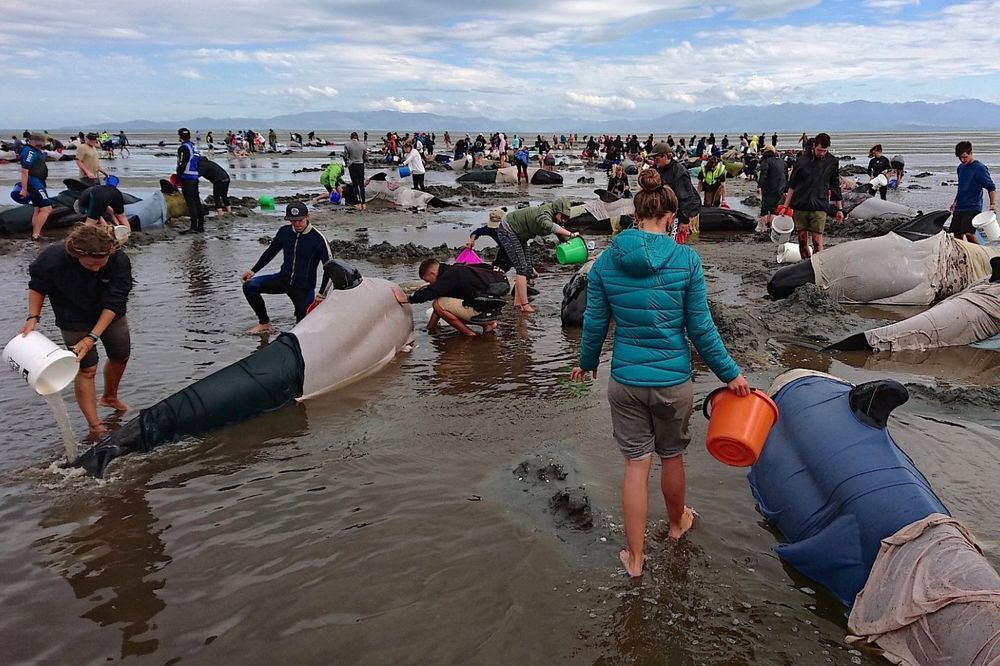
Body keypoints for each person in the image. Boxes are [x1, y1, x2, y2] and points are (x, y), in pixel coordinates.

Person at [570, 168, 750, 579]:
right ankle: (675, 525)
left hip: (626, 381)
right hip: (672, 382)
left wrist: (586, 362)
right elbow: (701, 329)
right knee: (672, 456)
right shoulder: (686, 259)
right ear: (670, 216)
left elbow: (595, 322)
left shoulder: (605, 263)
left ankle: (634, 559)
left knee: (636, 465)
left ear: (635, 215)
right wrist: (730, 374)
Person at [21, 226, 133, 436]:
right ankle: (95, 426)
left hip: (110, 313)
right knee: (87, 369)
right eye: (91, 265)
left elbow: (115, 301)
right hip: (72, 316)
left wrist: (92, 337)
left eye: (102, 264)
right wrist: (32, 317)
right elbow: (38, 285)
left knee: (121, 356)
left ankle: (109, 397)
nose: (97, 269)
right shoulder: (53, 258)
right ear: (76, 254)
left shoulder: (119, 260)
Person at [241, 202, 332, 333]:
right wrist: (252, 270)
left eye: (300, 220)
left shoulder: (318, 239)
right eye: (293, 221)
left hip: (303, 289)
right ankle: (264, 323)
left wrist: (322, 294)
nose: (297, 224)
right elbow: (270, 252)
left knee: (301, 330)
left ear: (307, 216)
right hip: (282, 280)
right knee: (249, 286)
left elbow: (329, 267)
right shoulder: (284, 232)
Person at [497, 199, 576, 313]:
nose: (563, 220)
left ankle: (518, 303)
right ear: (557, 211)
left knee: (528, 269)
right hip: (508, 229)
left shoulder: (556, 219)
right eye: (562, 216)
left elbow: (564, 238)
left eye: (566, 218)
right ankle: (525, 305)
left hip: (520, 235)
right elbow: (546, 224)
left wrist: (579, 250)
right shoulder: (545, 213)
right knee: (522, 268)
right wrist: (570, 233)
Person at [406, 258, 510, 336]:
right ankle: (488, 325)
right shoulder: (458, 269)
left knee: (437, 304)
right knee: (440, 303)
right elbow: (437, 307)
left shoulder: (450, 276)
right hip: (494, 311)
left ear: (432, 273)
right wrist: (429, 329)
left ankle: (469, 334)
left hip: (481, 311)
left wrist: (409, 299)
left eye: (428, 281)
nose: (430, 284)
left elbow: (432, 294)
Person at [781, 132, 842, 258]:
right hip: (801, 205)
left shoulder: (832, 162)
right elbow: (792, 185)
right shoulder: (801, 161)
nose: (822, 153)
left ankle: (819, 265)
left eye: (825, 151)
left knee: (816, 240)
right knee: (802, 240)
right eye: (819, 150)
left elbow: (835, 186)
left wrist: (839, 209)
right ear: (814, 146)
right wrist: (785, 207)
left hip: (820, 205)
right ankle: (806, 263)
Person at [949, 141, 996, 245]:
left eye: (965, 157)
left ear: (971, 153)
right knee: (957, 234)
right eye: (960, 158)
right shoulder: (960, 168)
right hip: (960, 206)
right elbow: (961, 187)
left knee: (969, 233)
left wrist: (992, 204)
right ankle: (963, 256)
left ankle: (982, 253)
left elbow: (991, 187)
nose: (962, 160)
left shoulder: (979, 168)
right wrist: (955, 202)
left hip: (973, 206)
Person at [648, 142, 700, 236]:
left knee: (674, 242)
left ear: (665, 156)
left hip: (679, 213)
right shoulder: (655, 170)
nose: (654, 161)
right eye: (653, 158)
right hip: (662, 212)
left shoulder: (679, 171)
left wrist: (684, 220)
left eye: (656, 158)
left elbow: (686, 198)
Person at [19, 133, 53, 241]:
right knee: (47, 208)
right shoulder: (28, 151)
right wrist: (24, 189)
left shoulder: (35, 151)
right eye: (37, 143)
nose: (39, 145)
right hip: (34, 181)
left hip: (39, 181)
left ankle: (36, 232)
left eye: (40, 144)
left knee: (38, 208)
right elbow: (25, 171)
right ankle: (36, 235)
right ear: (31, 140)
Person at [175, 127, 205, 233]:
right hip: (195, 177)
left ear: (180, 136)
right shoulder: (194, 147)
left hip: (187, 177)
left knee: (190, 203)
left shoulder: (184, 147)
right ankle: (200, 226)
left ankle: (193, 227)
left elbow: (182, 163)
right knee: (197, 201)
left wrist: (178, 176)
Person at [756, 144, 787, 233]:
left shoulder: (766, 161)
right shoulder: (782, 162)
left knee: (764, 210)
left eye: (763, 151)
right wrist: (785, 190)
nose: (762, 152)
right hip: (780, 189)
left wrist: (759, 186)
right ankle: (773, 229)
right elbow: (786, 176)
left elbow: (763, 175)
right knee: (774, 210)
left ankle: (761, 229)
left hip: (769, 189)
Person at [343, 131, 367, 210]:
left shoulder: (347, 145)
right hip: (361, 165)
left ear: (351, 137)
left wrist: (346, 164)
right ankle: (364, 203)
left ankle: (358, 202)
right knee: (361, 184)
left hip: (352, 165)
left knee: (355, 184)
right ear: (357, 137)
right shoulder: (362, 145)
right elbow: (365, 156)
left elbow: (345, 156)